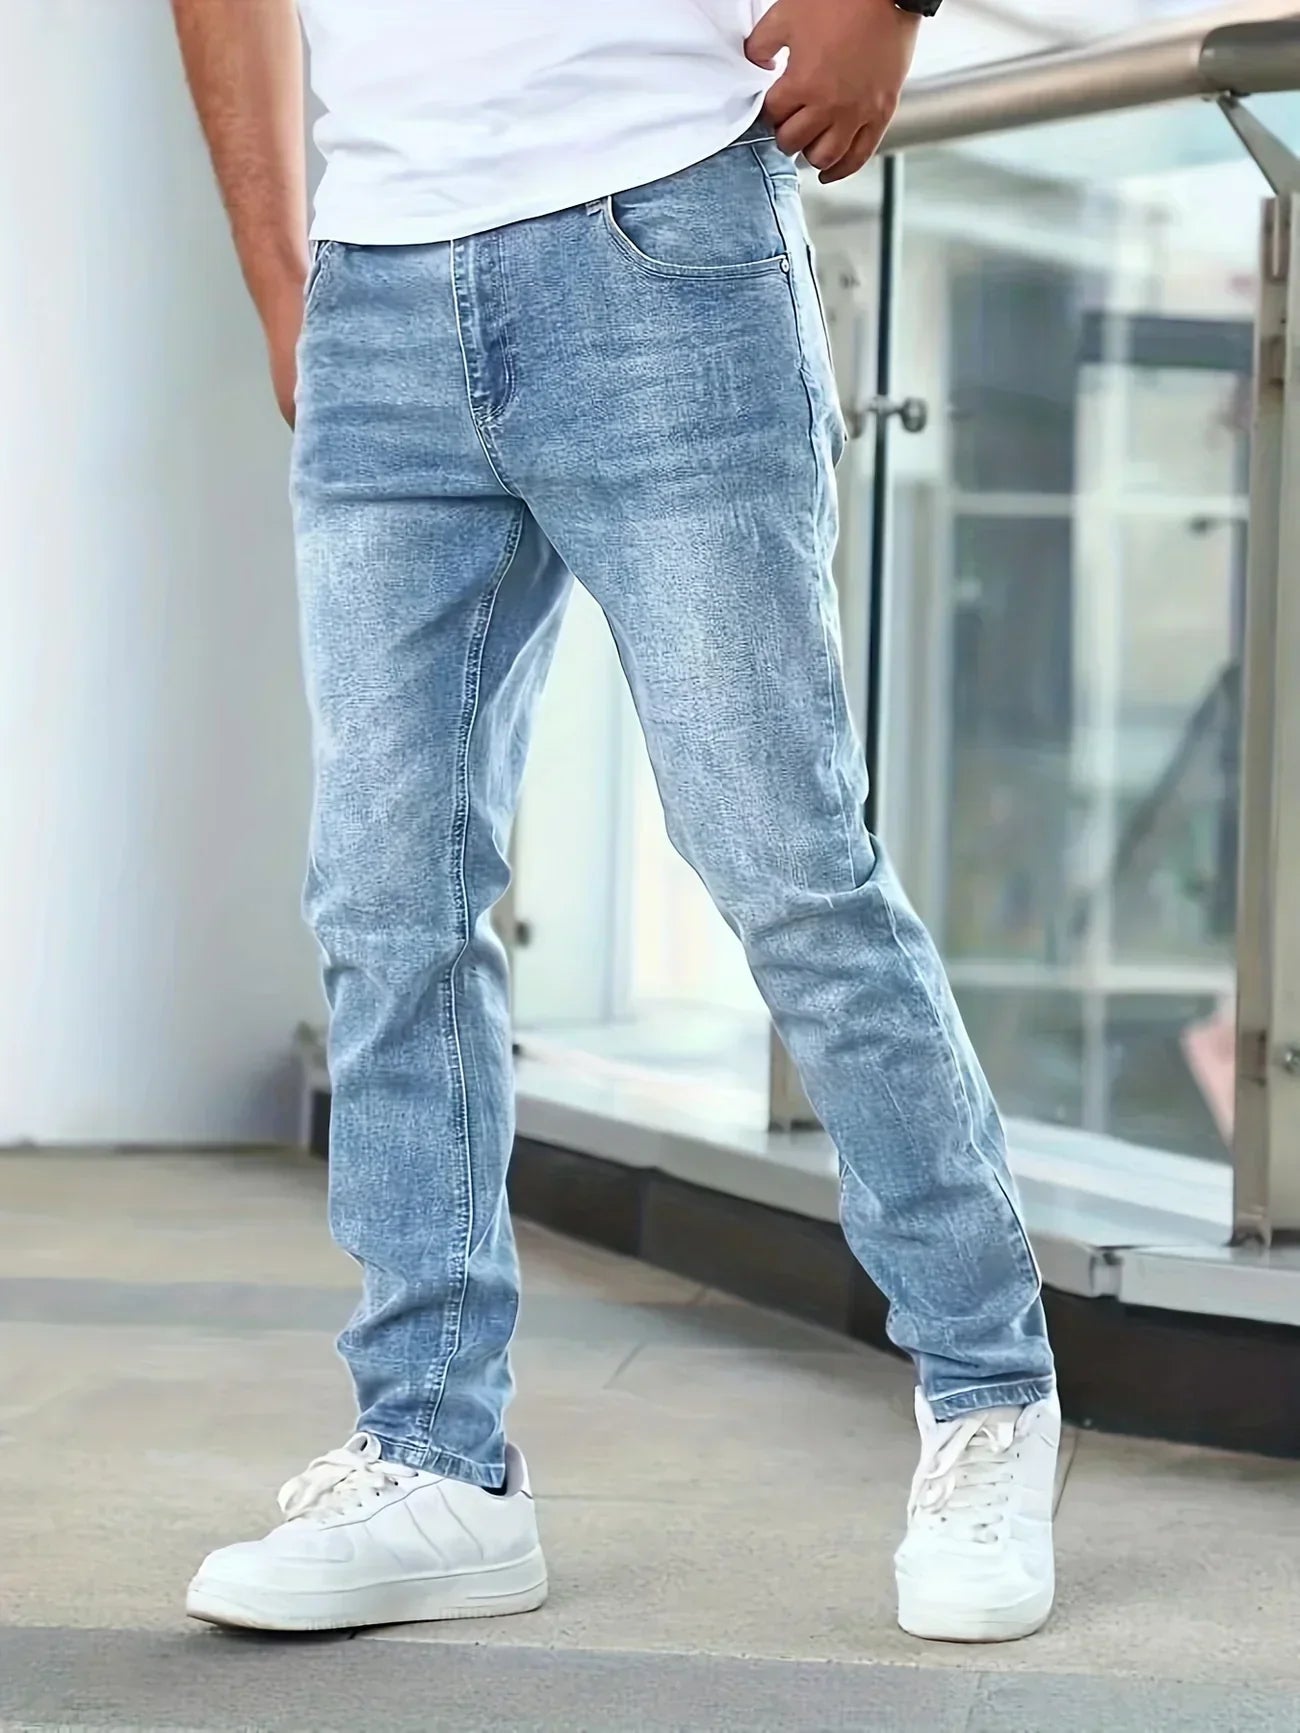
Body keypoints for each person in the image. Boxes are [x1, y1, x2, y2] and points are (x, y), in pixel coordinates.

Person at [173, 0, 1060, 1646]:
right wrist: (283, 271)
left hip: (662, 228)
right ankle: (433, 1453)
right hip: (378, 278)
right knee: (386, 900)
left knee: (785, 865)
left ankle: (990, 1387)